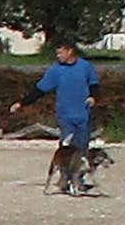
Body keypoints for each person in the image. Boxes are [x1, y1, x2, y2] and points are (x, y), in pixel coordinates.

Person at [33, 42, 101, 194]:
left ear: (70, 51)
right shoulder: (55, 70)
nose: (58, 56)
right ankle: (64, 178)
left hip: (83, 115)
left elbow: (94, 85)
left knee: (81, 149)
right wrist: (22, 103)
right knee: (66, 149)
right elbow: (40, 89)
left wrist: (93, 97)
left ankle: (78, 179)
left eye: (61, 53)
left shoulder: (85, 67)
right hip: (65, 115)